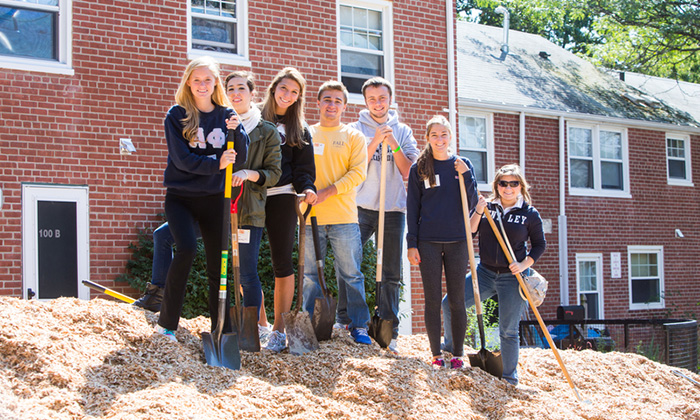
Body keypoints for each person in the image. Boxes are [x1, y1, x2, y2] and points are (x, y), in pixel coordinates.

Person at [156, 56, 247, 341]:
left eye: (208, 79)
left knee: (218, 261)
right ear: (188, 82)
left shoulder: (226, 114)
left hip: (214, 198)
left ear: (216, 83)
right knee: (185, 249)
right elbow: (181, 160)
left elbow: (239, 157)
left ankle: (221, 328)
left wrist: (237, 130)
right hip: (181, 196)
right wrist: (215, 164)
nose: (202, 85)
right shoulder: (177, 115)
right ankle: (167, 324)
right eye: (197, 79)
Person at [442, 163, 546, 385]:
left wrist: (523, 263)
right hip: (485, 274)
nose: (508, 188)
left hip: (513, 278)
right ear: (497, 186)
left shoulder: (529, 213)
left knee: (508, 331)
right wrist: (479, 209)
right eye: (503, 183)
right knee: (450, 303)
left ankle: (509, 377)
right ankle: (449, 349)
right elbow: (470, 230)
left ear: (521, 186)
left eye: (513, 183)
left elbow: (539, 245)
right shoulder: (488, 207)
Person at [349, 77, 419, 353]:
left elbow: (407, 171)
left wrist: (393, 144)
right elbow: (355, 165)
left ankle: (389, 327)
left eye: (382, 98)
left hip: (392, 207)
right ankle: (351, 319)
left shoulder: (402, 130)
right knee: (349, 261)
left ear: (390, 99)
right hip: (362, 205)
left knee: (390, 271)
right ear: (365, 101)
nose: (378, 104)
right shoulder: (356, 130)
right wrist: (375, 140)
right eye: (372, 99)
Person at [406, 115, 478, 368]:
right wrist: (411, 243)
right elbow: (413, 207)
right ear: (427, 138)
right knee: (432, 299)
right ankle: (436, 354)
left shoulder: (462, 165)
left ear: (450, 136)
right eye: (434, 135)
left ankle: (457, 354)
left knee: (457, 299)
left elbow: (472, 203)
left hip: (458, 241)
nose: (439, 139)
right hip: (428, 242)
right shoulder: (420, 168)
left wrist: (466, 175)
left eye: (444, 134)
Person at [302, 80, 371, 345]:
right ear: (318, 103)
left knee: (351, 274)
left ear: (344, 106)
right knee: (309, 277)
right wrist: (306, 195)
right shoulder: (306, 134)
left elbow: (357, 174)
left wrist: (327, 193)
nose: (332, 105)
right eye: (327, 100)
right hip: (309, 217)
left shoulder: (353, 137)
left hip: (343, 217)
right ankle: (309, 326)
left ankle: (358, 325)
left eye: (337, 101)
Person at [132, 222, 272, 342]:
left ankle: (255, 329)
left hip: (244, 213)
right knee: (163, 235)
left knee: (246, 276)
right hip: (213, 210)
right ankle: (157, 296)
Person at [259, 67, 316, 352]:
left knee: (282, 262)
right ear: (273, 88)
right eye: (284, 88)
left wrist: (308, 188)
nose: (288, 95)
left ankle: (279, 332)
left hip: (282, 196)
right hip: (250, 196)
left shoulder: (300, 130)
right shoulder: (254, 117)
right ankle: (258, 324)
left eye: (294, 92)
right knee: (245, 261)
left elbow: (305, 169)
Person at [223, 70, 282, 339]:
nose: (236, 94)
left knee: (246, 270)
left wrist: (248, 174)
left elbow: (274, 173)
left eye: (241, 89)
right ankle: (226, 324)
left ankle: (255, 328)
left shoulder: (266, 130)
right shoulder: (219, 125)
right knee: (223, 269)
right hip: (219, 208)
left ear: (251, 93)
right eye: (231, 89)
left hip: (249, 209)